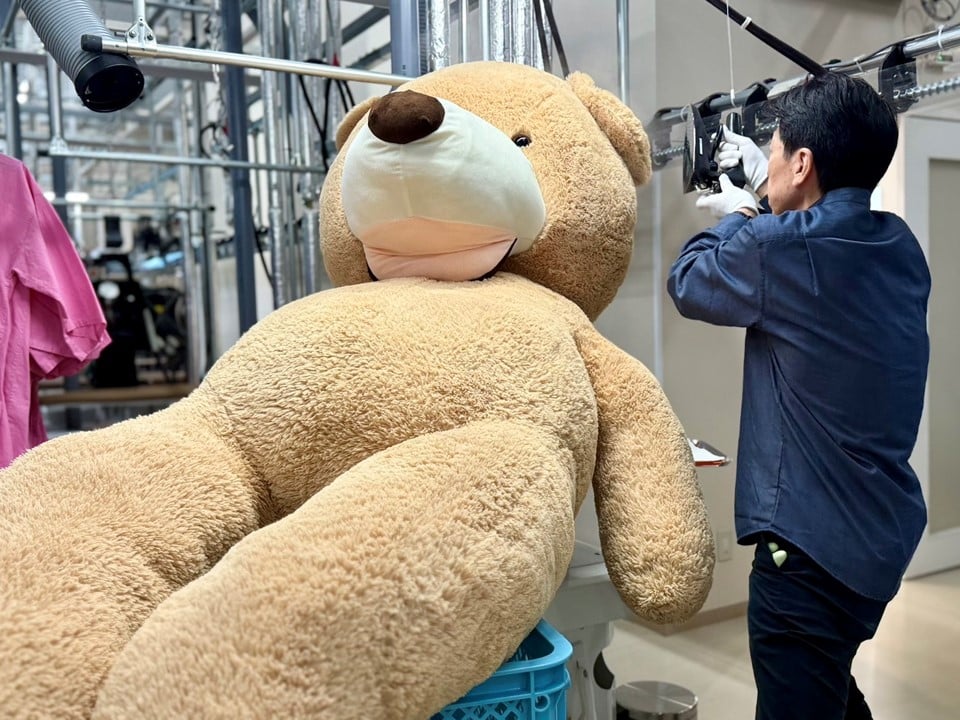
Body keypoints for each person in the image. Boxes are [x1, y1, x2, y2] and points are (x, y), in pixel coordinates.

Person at [667, 71, 930, 720]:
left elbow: (688, 280)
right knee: (828, 683)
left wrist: (749, 211)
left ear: (804, 164)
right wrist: (775, 199)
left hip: (807, 551)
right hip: (878, 536)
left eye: (777, 148)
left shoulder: (779, 246)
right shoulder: (900, 247)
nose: (772, 158)